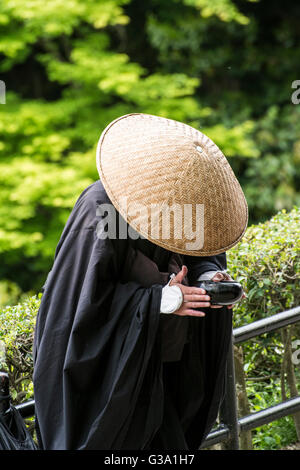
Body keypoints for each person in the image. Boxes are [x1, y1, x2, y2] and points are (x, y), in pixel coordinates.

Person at [33, 113, 248, 450]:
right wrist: (162, 300)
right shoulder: (99, 210)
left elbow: (201, 252)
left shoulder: (187, 201)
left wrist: (211, 277)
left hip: (163, 363)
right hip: (108, 373)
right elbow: (82, 306)